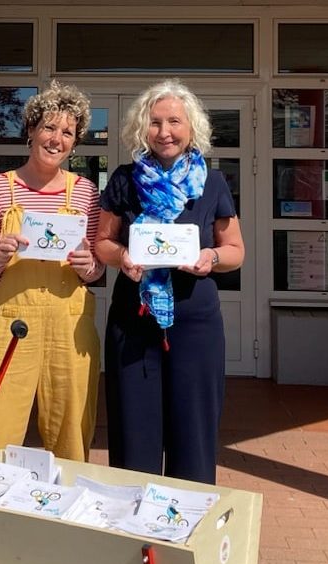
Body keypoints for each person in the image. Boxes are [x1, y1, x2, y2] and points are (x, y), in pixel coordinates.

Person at [94, 79, 245, 484]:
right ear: (142, 129)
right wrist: (123, 257)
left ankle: (188, 521)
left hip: (195, 321)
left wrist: (209, 258)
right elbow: (102, 242)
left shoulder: (211, 183)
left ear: (191, 127)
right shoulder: (125, 180)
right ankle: (133, 525)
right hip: (134, 317)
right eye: (155, 122)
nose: (165, 132)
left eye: (174, 121)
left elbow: (234, 250)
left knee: (193, 429)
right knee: (134, 427)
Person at [0, 80, 104, 462]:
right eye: (48, 127)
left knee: (71, 434)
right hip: (8, 321)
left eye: (67, 132)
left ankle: (62, 514)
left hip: (69, 324)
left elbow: (94, 272)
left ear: (75, 143)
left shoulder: (86, 193)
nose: (56, 138)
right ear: (30, 129)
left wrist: (87, 264)